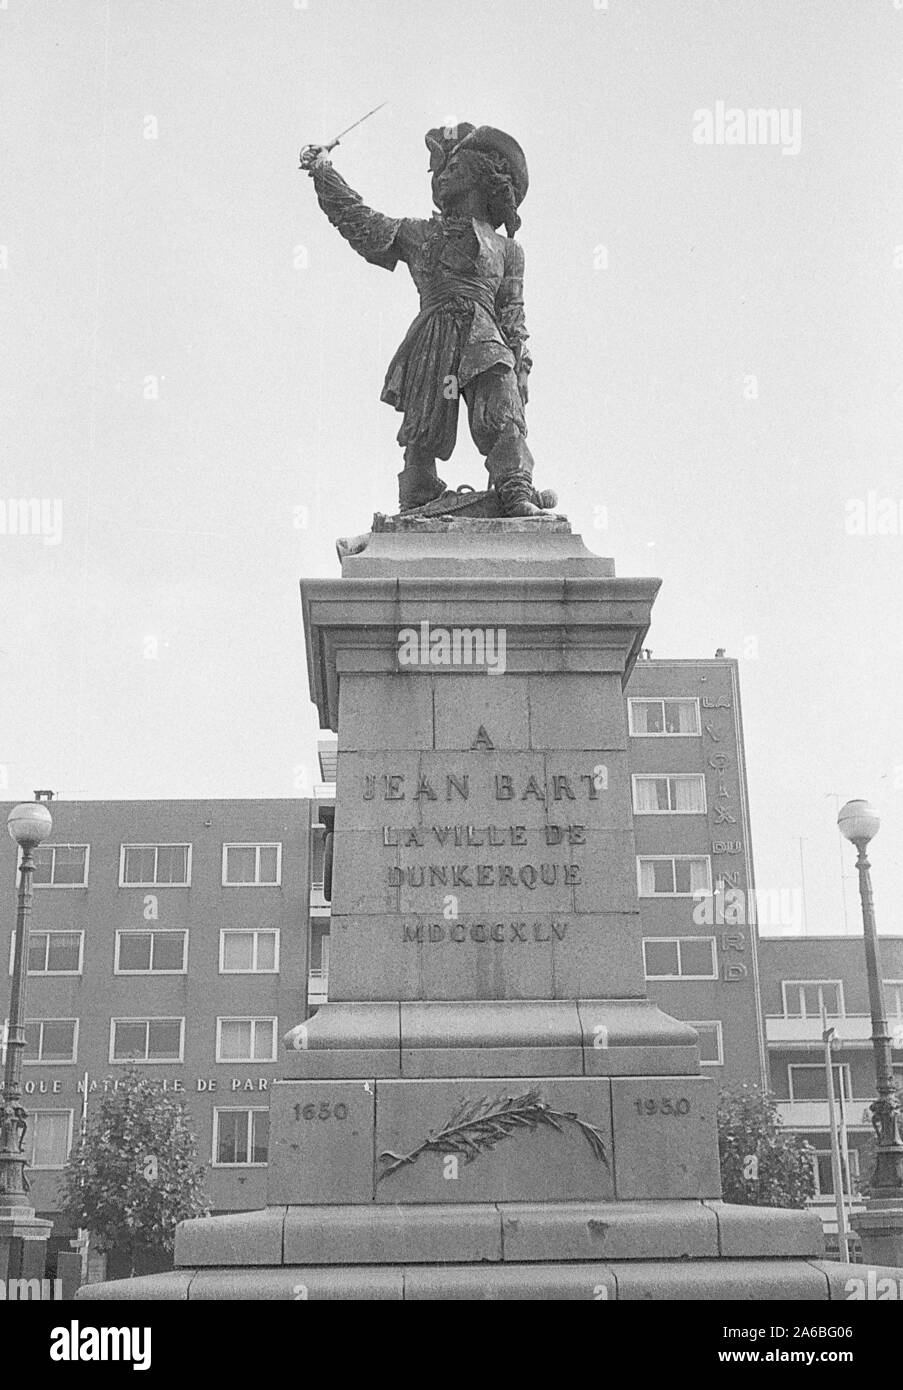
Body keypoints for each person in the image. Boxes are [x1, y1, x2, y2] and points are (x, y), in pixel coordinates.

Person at [299, 123, 547, 515]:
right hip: (432, 338)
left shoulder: (508, 250)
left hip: (484, 337)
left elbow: (513, 315)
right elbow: (361, 222)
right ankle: (418, 491)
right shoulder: (418, 234)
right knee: (424, 420)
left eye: (456, 168)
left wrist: (522, 367)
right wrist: (325, 173)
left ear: (482, 177)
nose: (443, 175)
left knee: (502, 403)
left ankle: (516, 488)